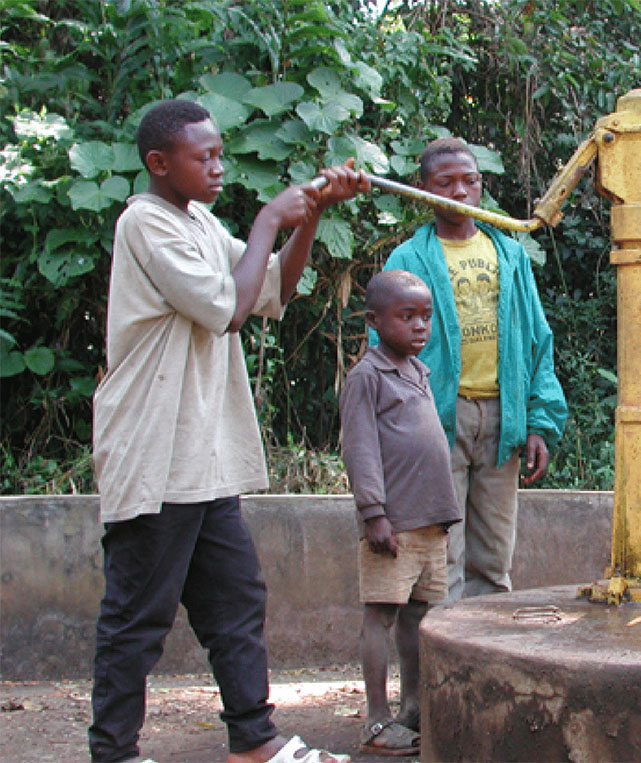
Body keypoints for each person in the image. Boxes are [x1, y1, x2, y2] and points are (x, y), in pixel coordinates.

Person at [90, 98, 368, 763]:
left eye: (220, 154)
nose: (217, 167)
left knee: (236, 599)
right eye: (203, 157)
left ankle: (255, 738)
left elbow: (272, 287)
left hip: (203, 458)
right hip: (155, 452)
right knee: (138, 616)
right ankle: (114, 751)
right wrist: (273, 215)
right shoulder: (144, 224)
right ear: (160, 163)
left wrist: (312, 214)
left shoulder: (202, 223)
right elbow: (226, 308)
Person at [374, 136, 568, 601]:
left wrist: (539, 421)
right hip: (437, 418)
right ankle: (447, 663)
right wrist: (399, 425)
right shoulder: (408, 259)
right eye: (445, 183)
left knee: (494, 557)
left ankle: (488, 664)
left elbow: (537, 339)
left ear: (481, 187)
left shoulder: (510, 254)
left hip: (504, 419)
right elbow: (384, 347)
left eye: (470, 182)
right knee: (443, 558)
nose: (459, 193)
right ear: (422, 188)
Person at [339, 270, 461, 756]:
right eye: (406, 317)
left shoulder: (418, 372)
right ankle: (376, 719)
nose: (419, 327)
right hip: (393, 525)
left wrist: (445, 515)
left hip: (429, 524)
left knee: (419, 618)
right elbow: (360, 448)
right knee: (382, 616)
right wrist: (374, 513)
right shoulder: (367, 377)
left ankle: (413, 707)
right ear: (374, 321)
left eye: (426, 317)